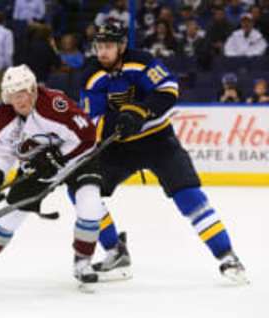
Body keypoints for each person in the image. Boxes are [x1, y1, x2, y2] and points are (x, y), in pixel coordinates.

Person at [79, 21, 247, 284]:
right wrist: (117, 123)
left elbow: (169, 91)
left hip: (158, 142)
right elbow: (95, 120)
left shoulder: (143, 61)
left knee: (189, 195)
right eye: (99, 46)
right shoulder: (91, 73)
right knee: (81, 189)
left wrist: (139, 112)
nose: (102, 52)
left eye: (109, 46)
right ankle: (115, 251)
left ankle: (227, 256)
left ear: (122, 46)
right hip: (119, 148)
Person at [0, 65, 107, 285]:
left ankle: (82, 262)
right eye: (14, 95)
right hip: (39, 167)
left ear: (33, 89)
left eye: (25, 92)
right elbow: (0, 150)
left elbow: (87, 137)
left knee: (91, 205)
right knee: (10, 215)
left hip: (78, 161)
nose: (21, 100)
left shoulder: (54, 104)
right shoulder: (3, 115)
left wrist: (59, 159)